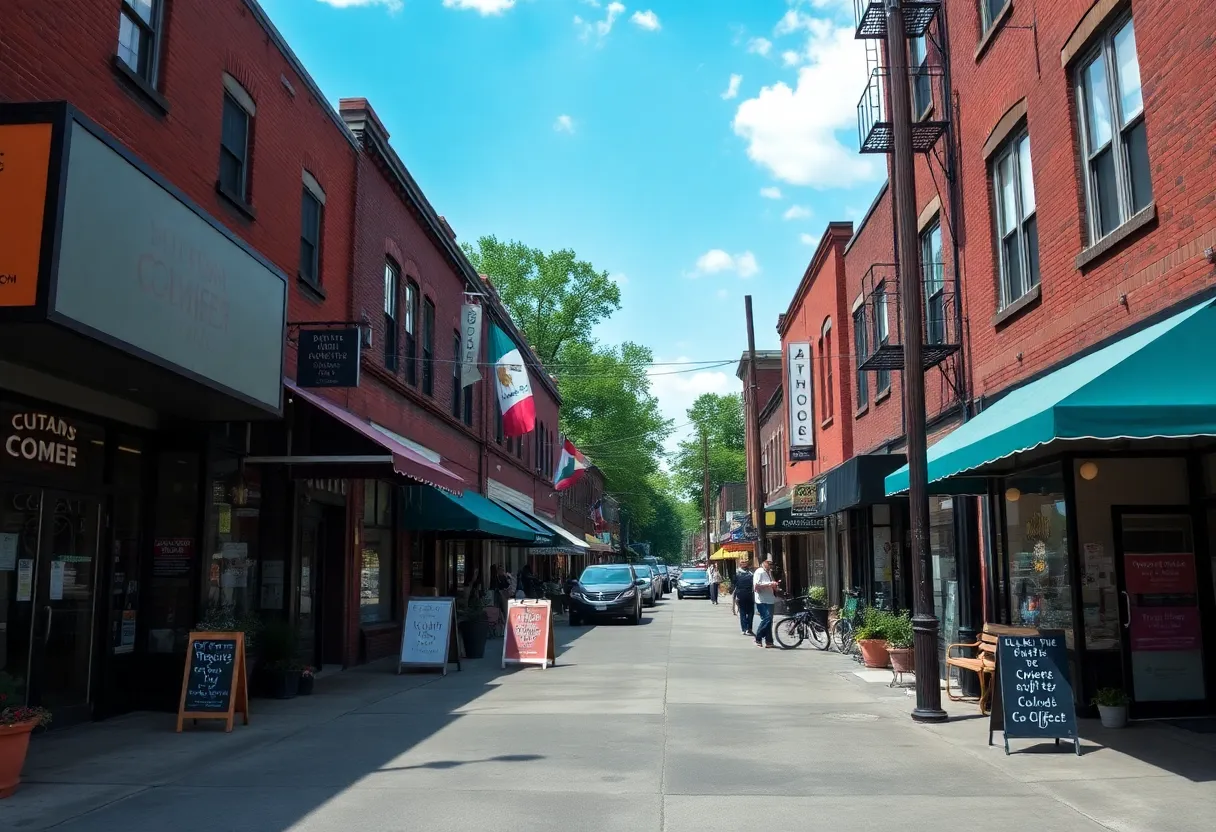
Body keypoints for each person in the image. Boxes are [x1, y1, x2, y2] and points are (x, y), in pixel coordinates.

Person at [753, 556, 780, 648]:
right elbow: (756, 585)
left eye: (771, 563)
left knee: (769, 621)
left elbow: (771, 583)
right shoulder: (759, 572)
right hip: (762, 600)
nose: (770, 565)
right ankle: (758, 637)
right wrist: (769, 584)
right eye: (769, 563)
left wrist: (774, 586)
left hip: (770, 599)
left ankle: (769, 641)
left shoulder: (769, 572)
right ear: (764, 562)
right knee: (767, 618)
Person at [732, 559, 755, 636]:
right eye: (742, 562)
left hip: (750, 594)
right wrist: (735, 597)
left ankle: (749, 628)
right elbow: (734, 584)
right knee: (743, 612)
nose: (744, 563)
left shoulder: (751, 572)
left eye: (745, 562)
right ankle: (744, 629)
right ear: (739, 564)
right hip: (741, 594)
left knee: (751, 612)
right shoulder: (737, 572)